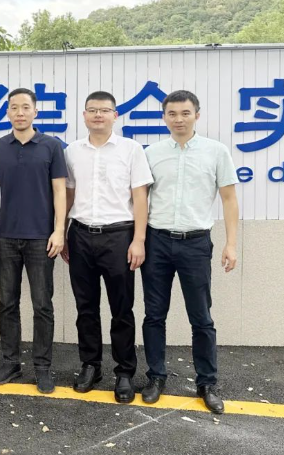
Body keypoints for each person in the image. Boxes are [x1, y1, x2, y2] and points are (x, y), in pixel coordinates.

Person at [141, 90, 239, 414]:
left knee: (201, 317)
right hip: (156, 241)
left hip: (195, 243)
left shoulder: (216, 152)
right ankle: (156, 377)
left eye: (185, 113)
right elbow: (139, 200)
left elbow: (229, 199)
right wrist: (138, 239)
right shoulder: (151, 153)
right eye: (172, 114)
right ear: (164, 117)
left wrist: (231, 243)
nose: (179, 119)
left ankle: (207, 383)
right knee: (154, 314)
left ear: (197, 114)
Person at [61, 91, 153, 403]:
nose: (98, 115)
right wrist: (62, 232)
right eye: (92, 110)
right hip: (80, 234)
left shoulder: (131, 149)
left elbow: (140, 198)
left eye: (104, 110)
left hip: (119, 236)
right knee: (85, 306)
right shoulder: (73, 151)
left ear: (115, 115)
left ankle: (124, 371)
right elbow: (68, 195)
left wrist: (139, 240)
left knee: (121, 308)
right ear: (84, 115)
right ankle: (90, 365)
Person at [0, 87, 67, 394]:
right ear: (7, 112)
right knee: (7, 303)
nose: (19, 112)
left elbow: (60, 191)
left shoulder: (51, 146)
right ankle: (11, 362)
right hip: (6, 237)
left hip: (41, 238)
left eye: (25, 107)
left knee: (42, 305)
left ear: (35, 111)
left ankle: (42, 367)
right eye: (14, 107)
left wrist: (59, 231)